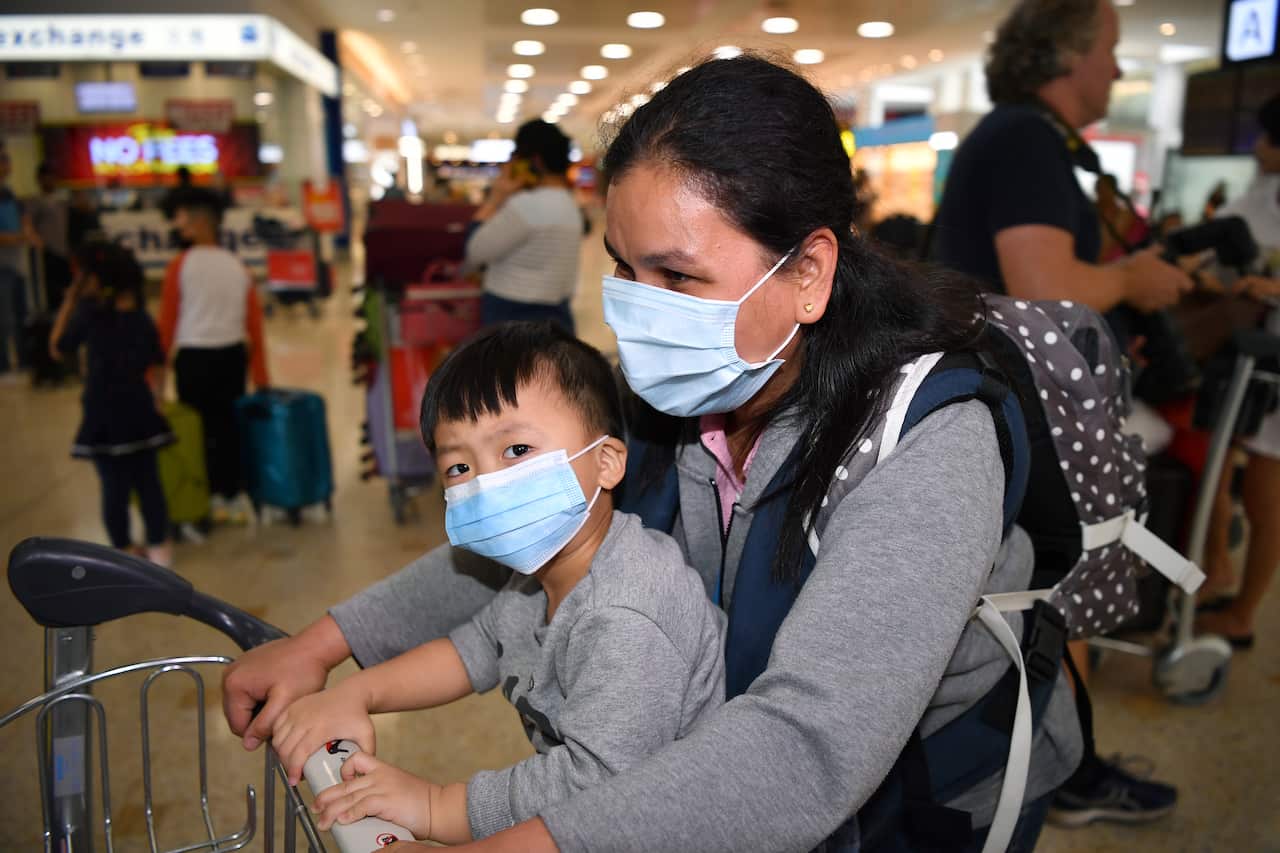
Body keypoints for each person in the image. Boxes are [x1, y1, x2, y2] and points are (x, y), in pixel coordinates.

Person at [223, 55, 1083, 852]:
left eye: (677, 277)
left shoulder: (928, 438)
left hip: (932, 793)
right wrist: (323, 643)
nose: (640, 313)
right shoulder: (679, 392)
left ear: (810, 271)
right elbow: (530, 525)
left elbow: (805, 748)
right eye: (624, 270)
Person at [270, 321, 726, 843]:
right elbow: (479, 645)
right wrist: (357, 693)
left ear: (605, 462)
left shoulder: (628, 613)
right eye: (459, 466)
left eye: (515, 451)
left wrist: (435, 806)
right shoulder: (539, 574)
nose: (487, 484)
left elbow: (596, 787)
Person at [932, 0, 1192, 830]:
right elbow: (1043, 286)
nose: (1117, 68)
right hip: (1021, 402)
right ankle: (1064, 763)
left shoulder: (1018, 137)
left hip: (1004, 396)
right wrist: (1135, 280)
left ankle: (1063, 756)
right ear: (1067, 53)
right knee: (1055, 584)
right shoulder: (1024, 139)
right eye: (1110, 49)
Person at [1196, 93, 1280, 648]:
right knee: (1220, 462)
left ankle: (1244, 612)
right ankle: (1220, 569)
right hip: (1252, 357)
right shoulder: (1263, 194)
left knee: (1268, 489)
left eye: (1265, 137)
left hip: (1270, 362)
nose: (1258, 148)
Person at [49, 241, 173, 567]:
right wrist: (158, 399)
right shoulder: (142, 319)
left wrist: (70, 300)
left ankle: (124, 551)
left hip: (102, 416)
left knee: (113, 489)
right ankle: (160, 549)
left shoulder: (90, 317)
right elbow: (158, 364)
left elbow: (58, 347)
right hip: (140, 411)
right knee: (149, 484)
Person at [158, 188, 269, 524]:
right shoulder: (238, 266)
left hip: (194, 359)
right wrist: (261, 377)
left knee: (199, 431)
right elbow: (254, 327)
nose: (178, 226)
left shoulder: (180, 266)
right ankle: (232, 496)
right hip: (231, 358)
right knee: (229, 427)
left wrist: (157, 379)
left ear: (200, 222)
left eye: (183, 219)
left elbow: (166, 324)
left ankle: (204, 501)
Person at [464, 120, 583, 333]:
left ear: (534, 161)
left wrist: (495, 198)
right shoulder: (569, 204)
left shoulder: (527, 205)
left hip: (511, 316)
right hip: (558, 314)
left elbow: (475, 251)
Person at [0, 147, 36, 379]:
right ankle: (3, 365)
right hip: (2, 266)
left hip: (17, 264)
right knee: (4, 318)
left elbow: (24, 222)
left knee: (21, 314)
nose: (7, 165)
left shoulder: (10, 194)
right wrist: (21, 237)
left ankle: (24, 361)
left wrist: (28, 232)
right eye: (3, 160)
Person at [26, 162, 73, 310]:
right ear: (39, 179)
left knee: (67, 291)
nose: (50, 180)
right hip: (46, 253)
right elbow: (28, 224)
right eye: (46, 177)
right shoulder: (35, 202)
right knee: (50, 293)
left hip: (64, 252)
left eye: (52, 177)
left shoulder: (63, 201)